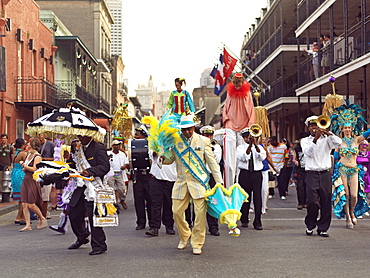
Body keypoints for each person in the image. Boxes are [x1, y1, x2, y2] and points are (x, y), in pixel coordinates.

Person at [164, 114, 223, 255]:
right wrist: (160, 157)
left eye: (189, 129)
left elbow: (212, 163)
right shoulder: (175, 140)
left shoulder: (203, 141)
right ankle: (184, 235)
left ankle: (197, 243)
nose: (187, 132)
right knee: (176, 212)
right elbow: (170, 159)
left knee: (200, 215)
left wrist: (219, 182)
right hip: (181, 182)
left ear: (194, 127)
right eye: (184, 129)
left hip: (199, 182)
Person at [67, 135, 110, 255]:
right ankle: (82, 236)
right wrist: (68, 161)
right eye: (79, 135)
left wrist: (90, 171)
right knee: (73, 211)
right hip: (81, 185)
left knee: (93, 216)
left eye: (83, 135)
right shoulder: (78, 148)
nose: (81, 137)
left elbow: (105, 167)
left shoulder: (98, 147)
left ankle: (99, 245)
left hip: (94, 185)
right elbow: (75, 166)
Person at [331, 102, 370, 228]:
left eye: (349, 127)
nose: (347, 129)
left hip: (354, 170)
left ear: (352, 128)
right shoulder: (338, 142)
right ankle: (347, 216)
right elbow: (335, 158)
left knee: (354, 195)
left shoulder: (357, 140)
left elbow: (367, 132)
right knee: (346, 194)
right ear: (341, 129)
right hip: (342, 169)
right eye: (345, 127)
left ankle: (352, 211)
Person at [301, 116, 342, 237]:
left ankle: (323, 228)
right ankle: (310, 224)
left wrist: (328, 133)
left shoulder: (327, 139)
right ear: (308, 127)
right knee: (312, 202)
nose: (315, 128)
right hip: (311, 174)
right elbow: (308, 153)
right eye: (312, 126)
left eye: (316, 125)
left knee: (325, 202)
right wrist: (316, 138)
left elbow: (338, 142)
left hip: (325, 174)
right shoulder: (305, 141)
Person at [222, 73, 255, 188]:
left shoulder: (247, 93)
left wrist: (251, 125)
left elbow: (251, 109)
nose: (237, 85)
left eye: (239, 83)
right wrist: (225, 119)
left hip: (244, 126)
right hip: (230, 125)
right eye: (235, 83)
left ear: (242, 82)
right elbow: (226, 107)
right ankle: (228, 189)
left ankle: (240, 188)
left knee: (241, 160)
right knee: (229, 163)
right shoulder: (229, 93)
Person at [237, 128, 266, 230]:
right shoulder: (240, 147)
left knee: (257, 197)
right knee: (245, 197)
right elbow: (244, 157)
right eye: (247, 137)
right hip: (245, 174)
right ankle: (244, 219)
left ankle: (257, 221)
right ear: (244, 138)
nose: (249, 139)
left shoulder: (259, 147)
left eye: (251, 137)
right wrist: (250, 145)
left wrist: (255, 145)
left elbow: (262, 157)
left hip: (256, 174)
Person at [145, 150, 176, 236]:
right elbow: (153, 154)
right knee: (155, 204)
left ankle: (169, 226)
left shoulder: (176, 143)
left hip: (172, 180)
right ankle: (154, 227)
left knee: (169, 204)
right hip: (157, 179)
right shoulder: (156, 142)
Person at [19, 137, 47, 232]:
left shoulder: (37, 156)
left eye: (29, 143)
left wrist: (24, 165)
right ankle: (27, 224)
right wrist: (25, 167)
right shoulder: (28, 155)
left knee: (31, 204)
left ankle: (42, 218)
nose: (27, 144)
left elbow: (35, 169)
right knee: (24, 203)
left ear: (33, 144)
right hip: (26, 179)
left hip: (32, 180)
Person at [200, 125, 222, 236]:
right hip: (201, 175)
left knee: (213, 201)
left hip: (212, 176)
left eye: (210, 135)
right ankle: (197, 227)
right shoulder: (197, 146)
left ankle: (213, 227)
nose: (208, 137)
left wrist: (210, 149)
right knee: (199, 201)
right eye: (205, 135)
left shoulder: (216, 147)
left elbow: (216, 160)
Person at [131, 126, 152, 230]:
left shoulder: (150, 145)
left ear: (143, 136)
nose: (135, 137)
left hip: (148, 175)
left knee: (150, 200)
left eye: (137, 135)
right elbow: (130, 162)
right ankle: (141, 222)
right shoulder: (132, 146)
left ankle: (152, 223)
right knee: (138, 200)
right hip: (138, 175)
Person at [107, 140, 129, 210]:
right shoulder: (108, 153)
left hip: (119, 173)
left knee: (122, 189)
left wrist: (124, 166)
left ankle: (122, 200)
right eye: (115, 145)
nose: (117, 146)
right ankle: (113, 203)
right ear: (112, 146)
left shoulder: (122, 154)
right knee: (111, 189)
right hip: (111, 173)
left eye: (118, 145)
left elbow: (126, 162)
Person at [37, 133, 55, 218]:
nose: (39, 136)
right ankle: (40, 212)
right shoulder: (36, 143)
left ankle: (44, 213)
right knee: (38, 193)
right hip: (37, 170)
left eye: (41, 134)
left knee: (45, 193)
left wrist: (44, 159)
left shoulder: (50, 144)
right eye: (38, 135)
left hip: (47, 170)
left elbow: (55, 158)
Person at [11, 138, 28, 225]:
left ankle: (19, 216)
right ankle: (21, 217)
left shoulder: (15, 153)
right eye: (25, 144)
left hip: (15, 173)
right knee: (23, 197)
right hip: (21, 174)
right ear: (22, 145)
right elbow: (27, 164)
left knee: (20, 197)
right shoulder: (23, 153)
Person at [294, 132, 310, 210]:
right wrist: (295, 161)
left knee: (308, 187)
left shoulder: (310, 147)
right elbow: (294, 157)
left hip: (309, 169)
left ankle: (307, 202)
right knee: (300, 187)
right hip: (300, 169)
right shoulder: (297, 148)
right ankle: (301, 203)